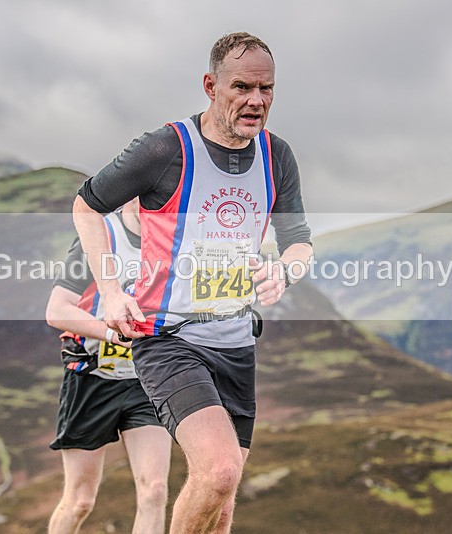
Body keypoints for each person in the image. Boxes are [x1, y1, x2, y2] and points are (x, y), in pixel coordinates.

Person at [72, 32, 313, 533]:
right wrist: (112, 290)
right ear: (210, 85)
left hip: (236, 343)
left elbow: (300, 240)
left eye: (267, 89)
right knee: (220, 470)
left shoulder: (278, 156)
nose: (256, 101)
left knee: (220, 503)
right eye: (242, 87)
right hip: (170, 339)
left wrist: (286, 269)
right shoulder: (165, 148)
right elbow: (87, 204)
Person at [46, 199, 172, 534]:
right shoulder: (101, 236)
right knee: (79, 501)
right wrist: (111, 333)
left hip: (146, 380)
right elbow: (57, 310)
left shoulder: (175, 240)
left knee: (155, 491)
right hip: (91, 377)